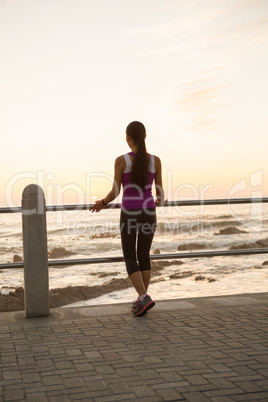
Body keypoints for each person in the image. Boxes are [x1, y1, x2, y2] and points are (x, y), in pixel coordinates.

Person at [90, 121, 164, 316]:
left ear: (128, 138)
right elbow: (161, 195)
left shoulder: (121, 160)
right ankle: (143, 299)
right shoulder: (156, 161)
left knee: (130, 257)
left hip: (130, 212)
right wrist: (158, 201)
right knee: (144, 256)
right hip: (149, 212)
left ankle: (143, 297)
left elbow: (115, 191)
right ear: (145, 137)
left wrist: (102, 203)